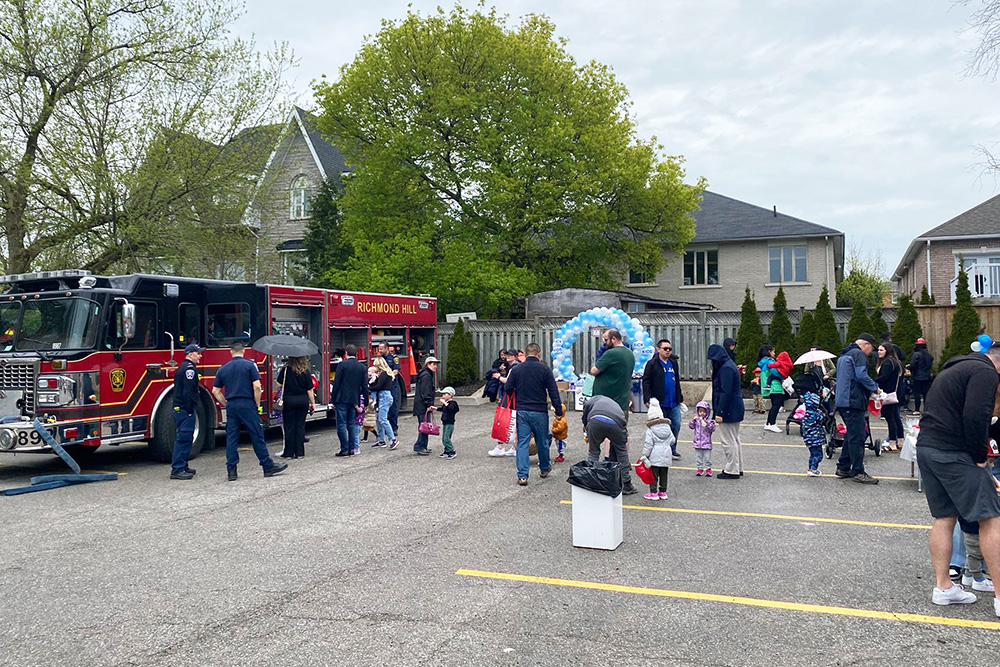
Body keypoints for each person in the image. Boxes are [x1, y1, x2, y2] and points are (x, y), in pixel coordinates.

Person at [916, 343, 1000, 611]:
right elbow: (976, 416)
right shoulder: (985, 372)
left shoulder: (954, 368)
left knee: (944, 516)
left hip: (927, 446)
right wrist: (980, 457)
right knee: (990, 517)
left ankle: (944, 587)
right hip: (953, 451)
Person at [212, 342, 287, 481]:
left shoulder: (223, 368)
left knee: (232, 438)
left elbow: (215, 391)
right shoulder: (249, 365)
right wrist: (256, 403)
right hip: (247, 404)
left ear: (230, 352)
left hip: (232, 405)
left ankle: (231, 470)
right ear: (244, 351)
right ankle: (267, 465)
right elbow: (257, 387)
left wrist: (226, 403)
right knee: (256, 435)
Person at [504, 342, 563, 485]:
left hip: (522, 410)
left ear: (524, 353)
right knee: (542, 441)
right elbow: (553, 391)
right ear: (539, 354)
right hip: (539, 410)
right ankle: (544, 468)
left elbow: (507, 388)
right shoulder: (545, 369)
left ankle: (523, 475)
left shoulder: (517, 369)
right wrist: (558, 411)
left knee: (522, 442)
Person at [834, 333, 880, 484]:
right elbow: (861, 375)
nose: (870, 352)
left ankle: (843, 467)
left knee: (852, 434)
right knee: (858, 436)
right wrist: (875, 388)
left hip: (843, 401)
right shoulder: (858, 354)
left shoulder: (844, 355)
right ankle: (858, 471)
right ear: (865, 344)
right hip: (853, 401)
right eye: (871, 348)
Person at [582, 394, 637, 494]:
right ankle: (626, 484)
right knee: (621, 451)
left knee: (593, 451)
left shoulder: (594, 399)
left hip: (595, 421)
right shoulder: (615, 405)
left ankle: (590, 481)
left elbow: (586, 407)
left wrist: (585, 425)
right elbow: (623, 424)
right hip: (616, 422)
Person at [641, 338, 685, 459]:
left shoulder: (673, 363)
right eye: (665, 348)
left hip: (673, 402)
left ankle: (672, 449)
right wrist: (647, 399)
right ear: (658, 349)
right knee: (658, 428)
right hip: (659, 403)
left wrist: (679, 396)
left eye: (669, 349)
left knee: (676, 424)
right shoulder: (652, 363)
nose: (668, 351)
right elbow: (646, 381)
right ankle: (656, 451)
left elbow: (676, 381)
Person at [708, 343, 744, 479]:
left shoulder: (725, 369)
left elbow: (725, 392)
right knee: (735, 439)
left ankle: (731, 469)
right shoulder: (730, 365)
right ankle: (738, 467)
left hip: (728, 409)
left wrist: (719, 412)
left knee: (727, 440)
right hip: (735, 407)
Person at [169, 343, 205, 480]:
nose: (200, 356)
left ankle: (183, 465)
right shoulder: (189, 369)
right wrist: (190, 409)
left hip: (182, 409)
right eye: (198, 353)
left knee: (187, 438)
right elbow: (188, 392)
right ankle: (177, 469)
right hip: (184, 409)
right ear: (190, 354)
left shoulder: (185, 367)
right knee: (184, 439)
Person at [331, 343, 369, 457]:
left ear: (346, 353)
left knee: (341, 424)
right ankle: (352, 448)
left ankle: (344, 448)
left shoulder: (342, 365)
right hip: (354, 400)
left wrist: (332, 400)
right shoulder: (362, 367)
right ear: (356, 354)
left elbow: (337, 383)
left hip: (341, 399)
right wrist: (365, 402)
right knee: (351, 424)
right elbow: (365, 386)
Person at [590, 328, 635, 417]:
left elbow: (593, 371)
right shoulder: (629, 353)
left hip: (606, 403)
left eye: (606, 340)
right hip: (622, 402)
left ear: (613, 339)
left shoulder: (611, 353)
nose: (604, 343)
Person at [277, 355, 315, 459]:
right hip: (302, 400)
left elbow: (278, 384)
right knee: (300, 426)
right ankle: (299, 452)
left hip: (289, 400)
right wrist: (312, 403)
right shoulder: (306, 371)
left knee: (289, 426)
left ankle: (289, 452)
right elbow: (309, 389)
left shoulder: (285, 370)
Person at [641, 397, 675, 499]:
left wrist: (645, 455)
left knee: (654, 475)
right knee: (664, 474)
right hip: (666, 454)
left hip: (654, 455)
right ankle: (663, 492)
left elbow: (648, 444)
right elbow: (672, 440)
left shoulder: (651, 429)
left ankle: (653, 493)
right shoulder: (668, 427)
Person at [488, 349, 520, 457]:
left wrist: (498, 377)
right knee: (514, 421)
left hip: (511, 396)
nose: (508, 356)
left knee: (503, 419)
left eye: (511, 355)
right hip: (514, 396)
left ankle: (501, 446)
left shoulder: (515, 367)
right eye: (507, 355)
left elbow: (508, 381)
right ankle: (513, 447)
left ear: (515, 356)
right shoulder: (513, 366)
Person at [876, 343, 904, 452]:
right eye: (878, 350)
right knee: (896, 417)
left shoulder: (887, 363)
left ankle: (892, 442)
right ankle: (900, 441)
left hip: (887, 393)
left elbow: (884, 378)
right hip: (895, 393)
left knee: (890, 418)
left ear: (887, 351)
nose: (879, 352)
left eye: (881, 350)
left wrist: (872, 382)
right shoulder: (896, 362)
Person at [798, 373, 825, 476]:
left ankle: (810, 468)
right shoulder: (816, 414)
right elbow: (822, 418)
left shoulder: (806, 414)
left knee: (812, 454)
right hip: (815, 439)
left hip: (808, 439)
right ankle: (813, 469)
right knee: (818, 455)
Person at [411, 356, 439, 455]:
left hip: (421, 405)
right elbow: (425, 392)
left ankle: (423, 446)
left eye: (436, 364)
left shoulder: (425, 374)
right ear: (428, 364)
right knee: (424, 426)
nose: (435, 366)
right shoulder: (426, 376)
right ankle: (419, 446)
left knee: (425, 426)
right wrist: (428, 404)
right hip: (423, 406)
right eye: (433, 364)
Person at [369, 356, 398, 449]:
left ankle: (392, 439)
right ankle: (381, 440)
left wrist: (368, 388)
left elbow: (378, 386)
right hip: (384, 396)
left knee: (382, 419)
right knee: (378, 419)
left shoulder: (383, 374)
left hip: (383, 397)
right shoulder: (386, 373)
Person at [377, 342, 402, 433]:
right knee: (382, 407)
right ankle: (384, 428)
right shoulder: (380, 359)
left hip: (392, 385)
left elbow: (396, 371)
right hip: (382, 385)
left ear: (387, 349)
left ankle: (394, 428)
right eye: (379, 349)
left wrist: (387, 376)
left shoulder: (394, 358)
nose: (379, 351)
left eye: (381, 349)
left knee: (393, 407)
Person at [765, 350, 793, 433]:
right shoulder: (782, 364)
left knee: (774, 406)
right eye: (773, 351)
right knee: (776, 405)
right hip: (776, 387)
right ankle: (772, 424)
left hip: (775, 387)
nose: (774, 353)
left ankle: (769, 423)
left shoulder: (774, 363)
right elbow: (774, 372)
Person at [688, 400, 715, 476]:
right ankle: (700, 468)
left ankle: (708, 468)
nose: (702, 413)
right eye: (700, 411)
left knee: (707, 457)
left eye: (704, 411)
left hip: (706, 443)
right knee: (698, 457)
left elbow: (712, 429)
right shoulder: (696, 421)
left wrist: (707, 424)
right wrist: (693, 420)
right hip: (697, 442)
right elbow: (691, 426)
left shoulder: (709, 421)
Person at [908, 337, 934, 415]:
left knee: (917, 393)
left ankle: (917, 409)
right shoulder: (928, 355)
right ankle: (926, 409)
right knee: (926, 394)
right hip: (927, 376)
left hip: (917, 377)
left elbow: (912, 365)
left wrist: (908, 367)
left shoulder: (916, 354)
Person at [438, 386, 460, 459]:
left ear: (450, 395)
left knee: (446, 438)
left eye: (445, 394)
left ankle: (451, 451)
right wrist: (435, 408)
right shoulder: (446, 404)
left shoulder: (453, 403)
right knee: (444, 438)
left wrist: (444, 403)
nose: (443, 396)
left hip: (450, 423)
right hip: (445, 422)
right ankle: (446, 451)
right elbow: (443, 409)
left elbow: (452, 409)